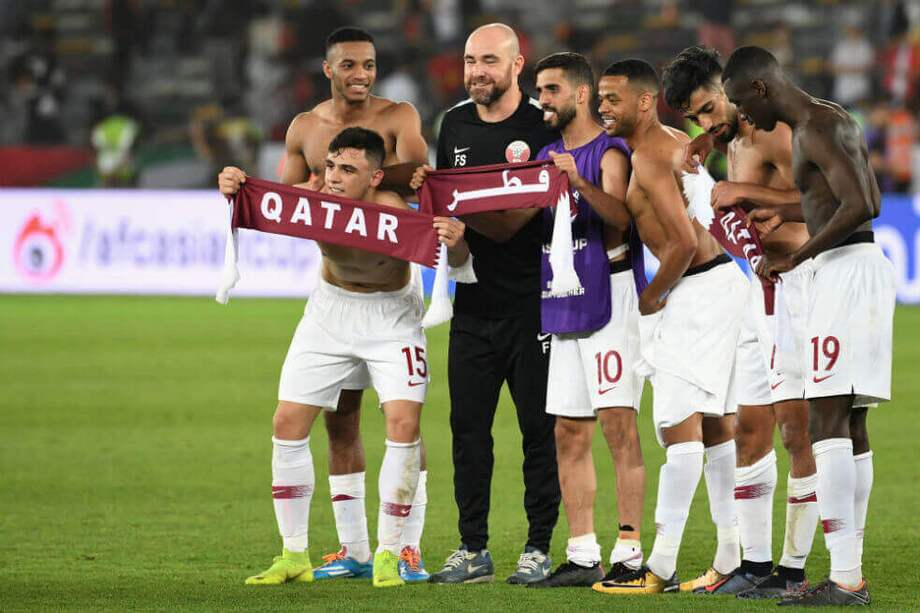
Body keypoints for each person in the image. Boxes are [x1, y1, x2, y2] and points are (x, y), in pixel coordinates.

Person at [218, 26, 432, 583]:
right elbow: (282, 204)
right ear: (328, 69)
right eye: (350, 65)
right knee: (317, 423)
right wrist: (240, 187)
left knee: (404, 423)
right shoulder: (305, 129)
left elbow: (425, 185)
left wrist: (383, 193)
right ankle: (324, 552)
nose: (362, 75)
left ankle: (403, 549)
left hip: (391, 305)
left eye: (370, 65)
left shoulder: (400, 118)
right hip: (331, 303)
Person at [722, 46, 895, 607]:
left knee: (825, 422)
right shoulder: (826, 118)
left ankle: (846, 580)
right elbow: (846, 197)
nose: (744, 117)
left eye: (741, 103)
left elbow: (862, 203)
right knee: (851, 423)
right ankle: (849, 573)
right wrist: (790, 213)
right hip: (857, 271)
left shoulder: (814, 126)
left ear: (761, 88)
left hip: (843, 273)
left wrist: (799, 255)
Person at [661, 45, 818, 598]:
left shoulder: (776, 133)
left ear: (729, 87)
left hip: (799, 287)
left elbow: (821, 199)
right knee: (748, 431)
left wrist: (743, 190)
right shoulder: (729, 138)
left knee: (797, 431)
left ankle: (793, 572)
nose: (705, 124)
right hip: (757, 291)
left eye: (708, 109)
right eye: (695, 118)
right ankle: (753, 565)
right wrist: (712, 140)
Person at [587, 59, 748, 596]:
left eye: (612, 99)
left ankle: (658, 567)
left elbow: (679, 242)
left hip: (696, 290)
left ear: (644, 101)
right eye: (600, 98)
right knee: (716, 427)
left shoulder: (652, 155)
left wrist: (651, 298)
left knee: (680, 431)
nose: (603, 108)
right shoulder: (675, 142)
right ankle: (729, 557)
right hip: (720, 284)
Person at [410, 23, 561, 585]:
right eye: (471, 60)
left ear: (517, 65)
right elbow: (444, 209)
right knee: (468, 433)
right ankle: (472, 548)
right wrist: (442, 212)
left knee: (538, 432)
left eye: (489, 61)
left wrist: (460, 213)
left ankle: (538, 547)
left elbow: (521, 215)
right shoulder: (453, 123)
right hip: (472, 304)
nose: (477, 71)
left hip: (535, 303)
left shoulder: (542, 124)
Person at [518, 52, 646, 589]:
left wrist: (577, 182)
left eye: (550, 89)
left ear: (580, 93)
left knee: (618, 426)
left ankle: (630, 553)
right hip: (564, 296)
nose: (541, 99)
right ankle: (581, 553)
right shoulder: (545, 156)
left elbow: (624, 218)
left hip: (610, 293)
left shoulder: (609, 150)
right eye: (539, 90)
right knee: (568, 430)